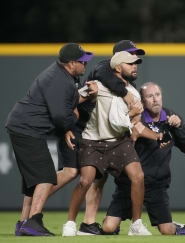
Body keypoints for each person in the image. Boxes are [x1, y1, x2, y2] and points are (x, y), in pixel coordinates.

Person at [62, 51, 162, 237]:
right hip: (92, 141)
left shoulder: (132, 92)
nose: (135, 67)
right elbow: (71, 101)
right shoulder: (97, 86)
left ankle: (136, 224)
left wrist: (137, 121)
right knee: (85, 181)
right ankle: (69, 223)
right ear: (117, 67)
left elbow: (134, 123)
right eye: (130, 63)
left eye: (136, 64)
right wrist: (70, 122)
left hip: (119, 142)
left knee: (138, 177)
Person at [5, 43, 95, 236]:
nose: (85, 65)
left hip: (26, 128)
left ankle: (23, 223)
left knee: (34, 181)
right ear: (71, 64)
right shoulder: (59, 80)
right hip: (27, 128)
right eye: (82, 61)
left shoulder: (64, 76)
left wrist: (69, 121)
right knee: (45, 176)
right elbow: (61, 116)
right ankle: (33, 222)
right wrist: (75, 118)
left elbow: (63, 108)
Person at [101, 82, 185, 235]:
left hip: (156, 186)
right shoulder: (136, 119)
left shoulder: (171, 118)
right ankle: (116, 223)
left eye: (157, 95)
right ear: (143, 101)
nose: (155, 99)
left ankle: (177, 227)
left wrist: (179, 128)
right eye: (150, 96)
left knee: (167, 231)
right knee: (108, 227)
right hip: (129, 184)